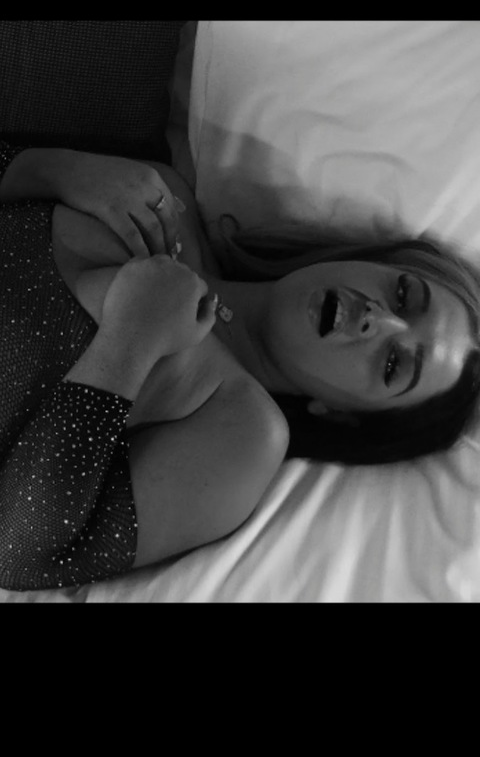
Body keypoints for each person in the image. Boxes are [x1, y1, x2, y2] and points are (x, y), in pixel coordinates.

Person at [1, 140, 480, 592]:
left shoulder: (242, 433)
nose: (378, 318)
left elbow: (17, 553)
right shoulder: (164, 200)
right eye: (404, 294)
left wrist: (131, 338)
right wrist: (49, 170)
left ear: (342, 414)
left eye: (394, 364)